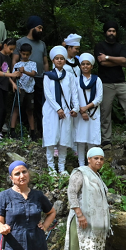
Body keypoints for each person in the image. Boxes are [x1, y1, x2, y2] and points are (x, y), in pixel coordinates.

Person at [64, 148, 110, 250]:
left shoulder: (98, 176)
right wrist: (79, 214)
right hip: (81, 220)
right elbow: (71, 193)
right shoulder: (81, 172)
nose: (99, 161)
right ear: (88, 159)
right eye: (96, 158)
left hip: (97, 223)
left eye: (101, 159)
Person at [94, 21, 126, 145]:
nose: (111, 33)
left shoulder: (121, 46)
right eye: (109, 31)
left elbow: (124, 60)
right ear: (105, 32)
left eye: (113, 31)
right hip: (105, 83)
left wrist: (108, 57)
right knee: (105, 110)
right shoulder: (100, 46)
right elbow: (101, 63)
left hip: (121, 82)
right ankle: (106, 139)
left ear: (116, 32)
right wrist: (118, 61)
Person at [43, 46, 79, 175]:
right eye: (57, 58)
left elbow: (74, 93)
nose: (59, 61)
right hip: (51, 111)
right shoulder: (47, 76)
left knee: (64, 139)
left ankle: (62, 168)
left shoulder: (69, 76)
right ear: (53, 60)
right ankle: (51, 168)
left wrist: (75, 108)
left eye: (62, 58)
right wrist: (57, 108)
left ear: (65, 60)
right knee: (51, 139)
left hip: (66, 111)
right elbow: (48, 94)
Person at [14, 16, 49, 133]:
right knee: (23, 104)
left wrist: (47, 77)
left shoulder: (42, 44)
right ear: (32, 27)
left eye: (42, 28)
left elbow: (45, 62)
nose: (41, 30)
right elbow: (14, 61)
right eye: (39, 28)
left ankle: (40, 129)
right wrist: (14, 76)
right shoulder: (20, 42)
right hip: (23, 79)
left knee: (39, 104)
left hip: (39, 78)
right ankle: (23, 128)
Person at [74, 53, 103, 166]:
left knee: (92, 140)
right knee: (80, 141)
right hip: (81, 115)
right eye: (83, 64)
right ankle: (81, 165)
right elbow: (74, 96)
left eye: (87, 64)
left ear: (91, 66)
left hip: (93, 113)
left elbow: (99, 98)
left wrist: (86, 108)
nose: (85, 66)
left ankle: (92, 165)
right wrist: (81, 111)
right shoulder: (76, 80)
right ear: (80, 66)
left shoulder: (97, 80)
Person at [0, 37, 21, 141]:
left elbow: (6, 72)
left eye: (13, 50)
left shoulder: (7, 57)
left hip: (4, 85)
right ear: (5, 46)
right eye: (11, 49)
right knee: (0, 109)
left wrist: (12, 83)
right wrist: (12, 74)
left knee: (4, 110)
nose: (12, 51)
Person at [11, 42, 38, 140]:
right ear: (20, 53)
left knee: (30, 110)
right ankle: (12, 130)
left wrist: (24, 71)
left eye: (27, 54)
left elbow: (33, 74)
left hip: (30, 90)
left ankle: (32, 132)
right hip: (20, 89)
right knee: (16, 109)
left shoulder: (32, 64)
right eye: (23, 54)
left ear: (30, 54)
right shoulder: (17, 64)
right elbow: (12, 77)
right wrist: (16, 76)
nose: (25, 56)